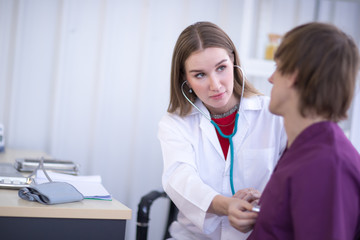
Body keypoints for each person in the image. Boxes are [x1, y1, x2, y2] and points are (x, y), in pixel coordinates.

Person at [229, 22, 360, 239]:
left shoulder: (328, 163)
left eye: (277, 67)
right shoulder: (306, 147)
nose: (271, 79)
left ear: (294, 75)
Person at [158, 21, 287, 239]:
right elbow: (179, 178)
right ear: (184, 78)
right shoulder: (175, 123)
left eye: (221, 68)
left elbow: (293, 176)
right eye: (200, 75)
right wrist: (227, 205)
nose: (215, 85)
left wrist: (265, 199)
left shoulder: (272, 113)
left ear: (233, 61)